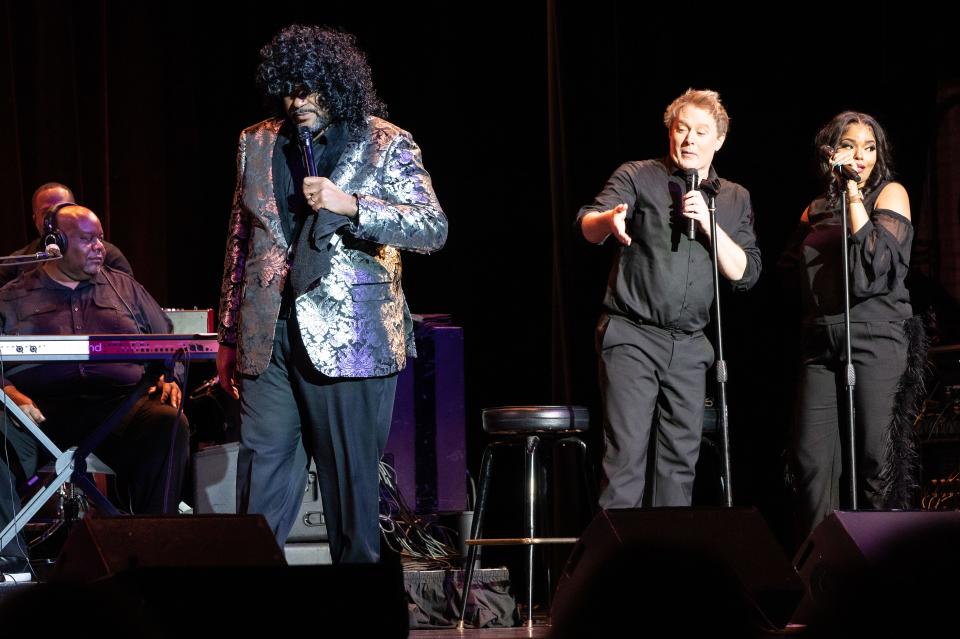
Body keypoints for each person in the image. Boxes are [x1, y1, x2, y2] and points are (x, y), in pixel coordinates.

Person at [216, 24, 447, 564]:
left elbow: (432, 227)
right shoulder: (256, 140)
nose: (297, 102)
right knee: (260, 492)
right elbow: (239, 241)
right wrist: (228, 334)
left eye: (309, 89)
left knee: (351, 499)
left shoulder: (386, 141)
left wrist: (353, 206)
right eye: (289, 89)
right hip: (268, 337)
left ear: (338, 84)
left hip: (352, 339)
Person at [577, 89, 761, 509]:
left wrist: (712, 226)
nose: (690, 140)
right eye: (682, 129)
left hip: (692, 346)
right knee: (625, 463)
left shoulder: (734, 198)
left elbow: (746, 274)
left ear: (720, 140)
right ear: (670, 132)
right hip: (633, 335)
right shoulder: (639, 175)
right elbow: (588, 224)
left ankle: (666, 571)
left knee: (679, 469)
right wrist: (609, 221)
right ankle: (616, 572)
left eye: (701, 132)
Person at [0, 205, 188, 577]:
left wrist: (171, 376)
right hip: (38, 413)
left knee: (169, 424)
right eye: (87, 239)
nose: (99, 247)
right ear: (56, 242)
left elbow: (171, 343)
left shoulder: (125, 289)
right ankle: (10, 561)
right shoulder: (14, 296)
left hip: (118, 407)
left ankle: (154, 553)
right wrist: (10, 393)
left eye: (100, 237)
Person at [783, 111, 925, 539]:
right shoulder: (814, 209)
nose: (860, 156)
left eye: (869, 148)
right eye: (850, 145)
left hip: (876, 338)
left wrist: (852, 193)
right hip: (822, 342)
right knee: (810, 462)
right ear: (831, 151)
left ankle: (882, 564)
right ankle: (821, 566)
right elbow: (791, 269)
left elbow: (873, 270)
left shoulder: (889, 194)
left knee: (876, 461)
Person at [0, 182, 133, 288]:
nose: (56, 217)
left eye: (63, 209)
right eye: (47, 213)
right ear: (36, 220)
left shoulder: (108, 255)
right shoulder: (19, 261)